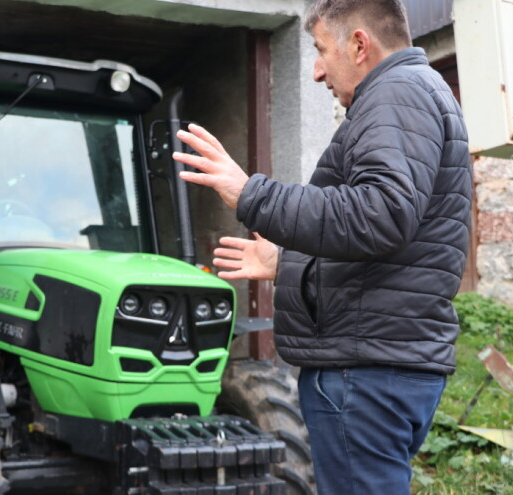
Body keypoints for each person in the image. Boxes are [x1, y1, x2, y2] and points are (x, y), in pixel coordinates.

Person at [173, 1, 471, 493]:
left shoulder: (396, 93)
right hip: (380, 362)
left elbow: (380, 213)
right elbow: (390, 242)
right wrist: (287, 262)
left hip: (365, 369)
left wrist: (250, 194)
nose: (315, 71)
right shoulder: (415, 91)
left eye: (320, 49)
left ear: (359, 45)